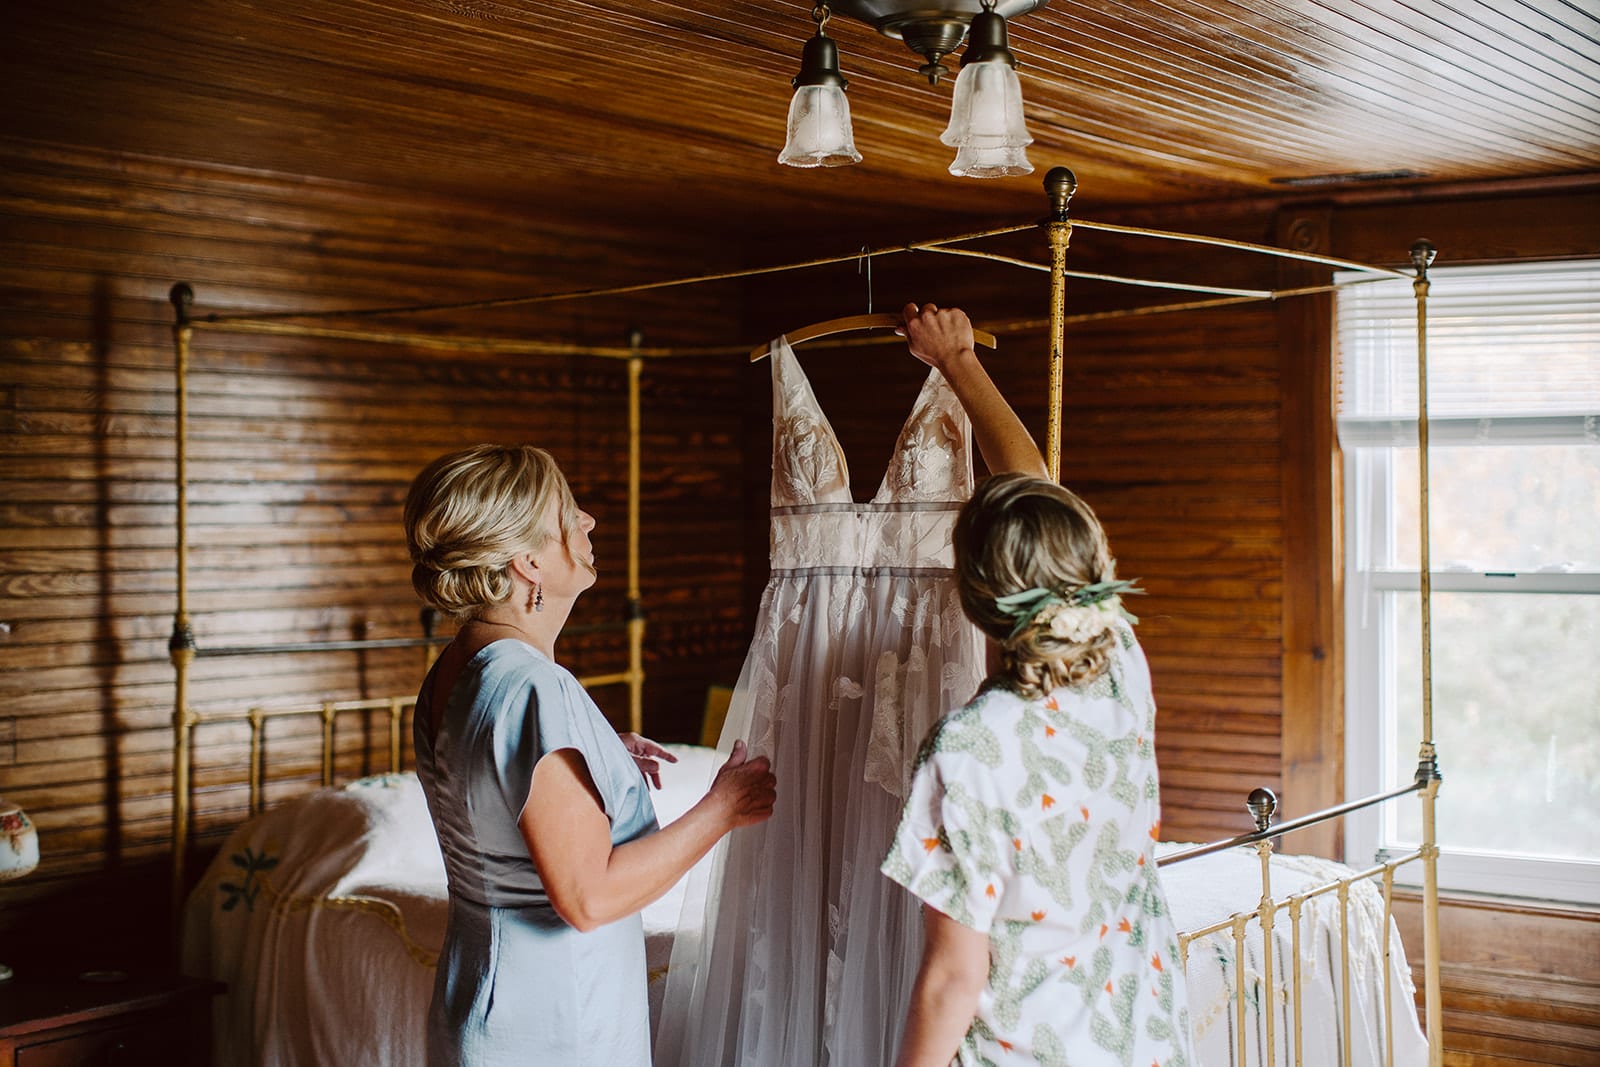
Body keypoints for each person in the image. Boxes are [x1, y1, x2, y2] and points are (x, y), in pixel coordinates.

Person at [655, 302, 1048, 1067]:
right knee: (802, 899)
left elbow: (1034, 488)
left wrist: (962, 363)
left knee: (916, 900)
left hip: (923, 680)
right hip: (809, 697)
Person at [403, 443, 777, 1067]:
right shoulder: (534, 688)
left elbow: (494, 786)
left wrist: (601, 751)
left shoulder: (456, 667)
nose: (589, 521)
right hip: (551, 1022)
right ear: (527, 562)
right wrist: (722, 807)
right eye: (568, 511)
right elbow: (589, 898)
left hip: (480, 1001)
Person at [881, 472, 1196, 1066]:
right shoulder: (1123, 664)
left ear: (974, 598)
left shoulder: (968, 748)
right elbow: (1041, 500)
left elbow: (955, 977)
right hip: (1144, 1039)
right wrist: (963, 371)